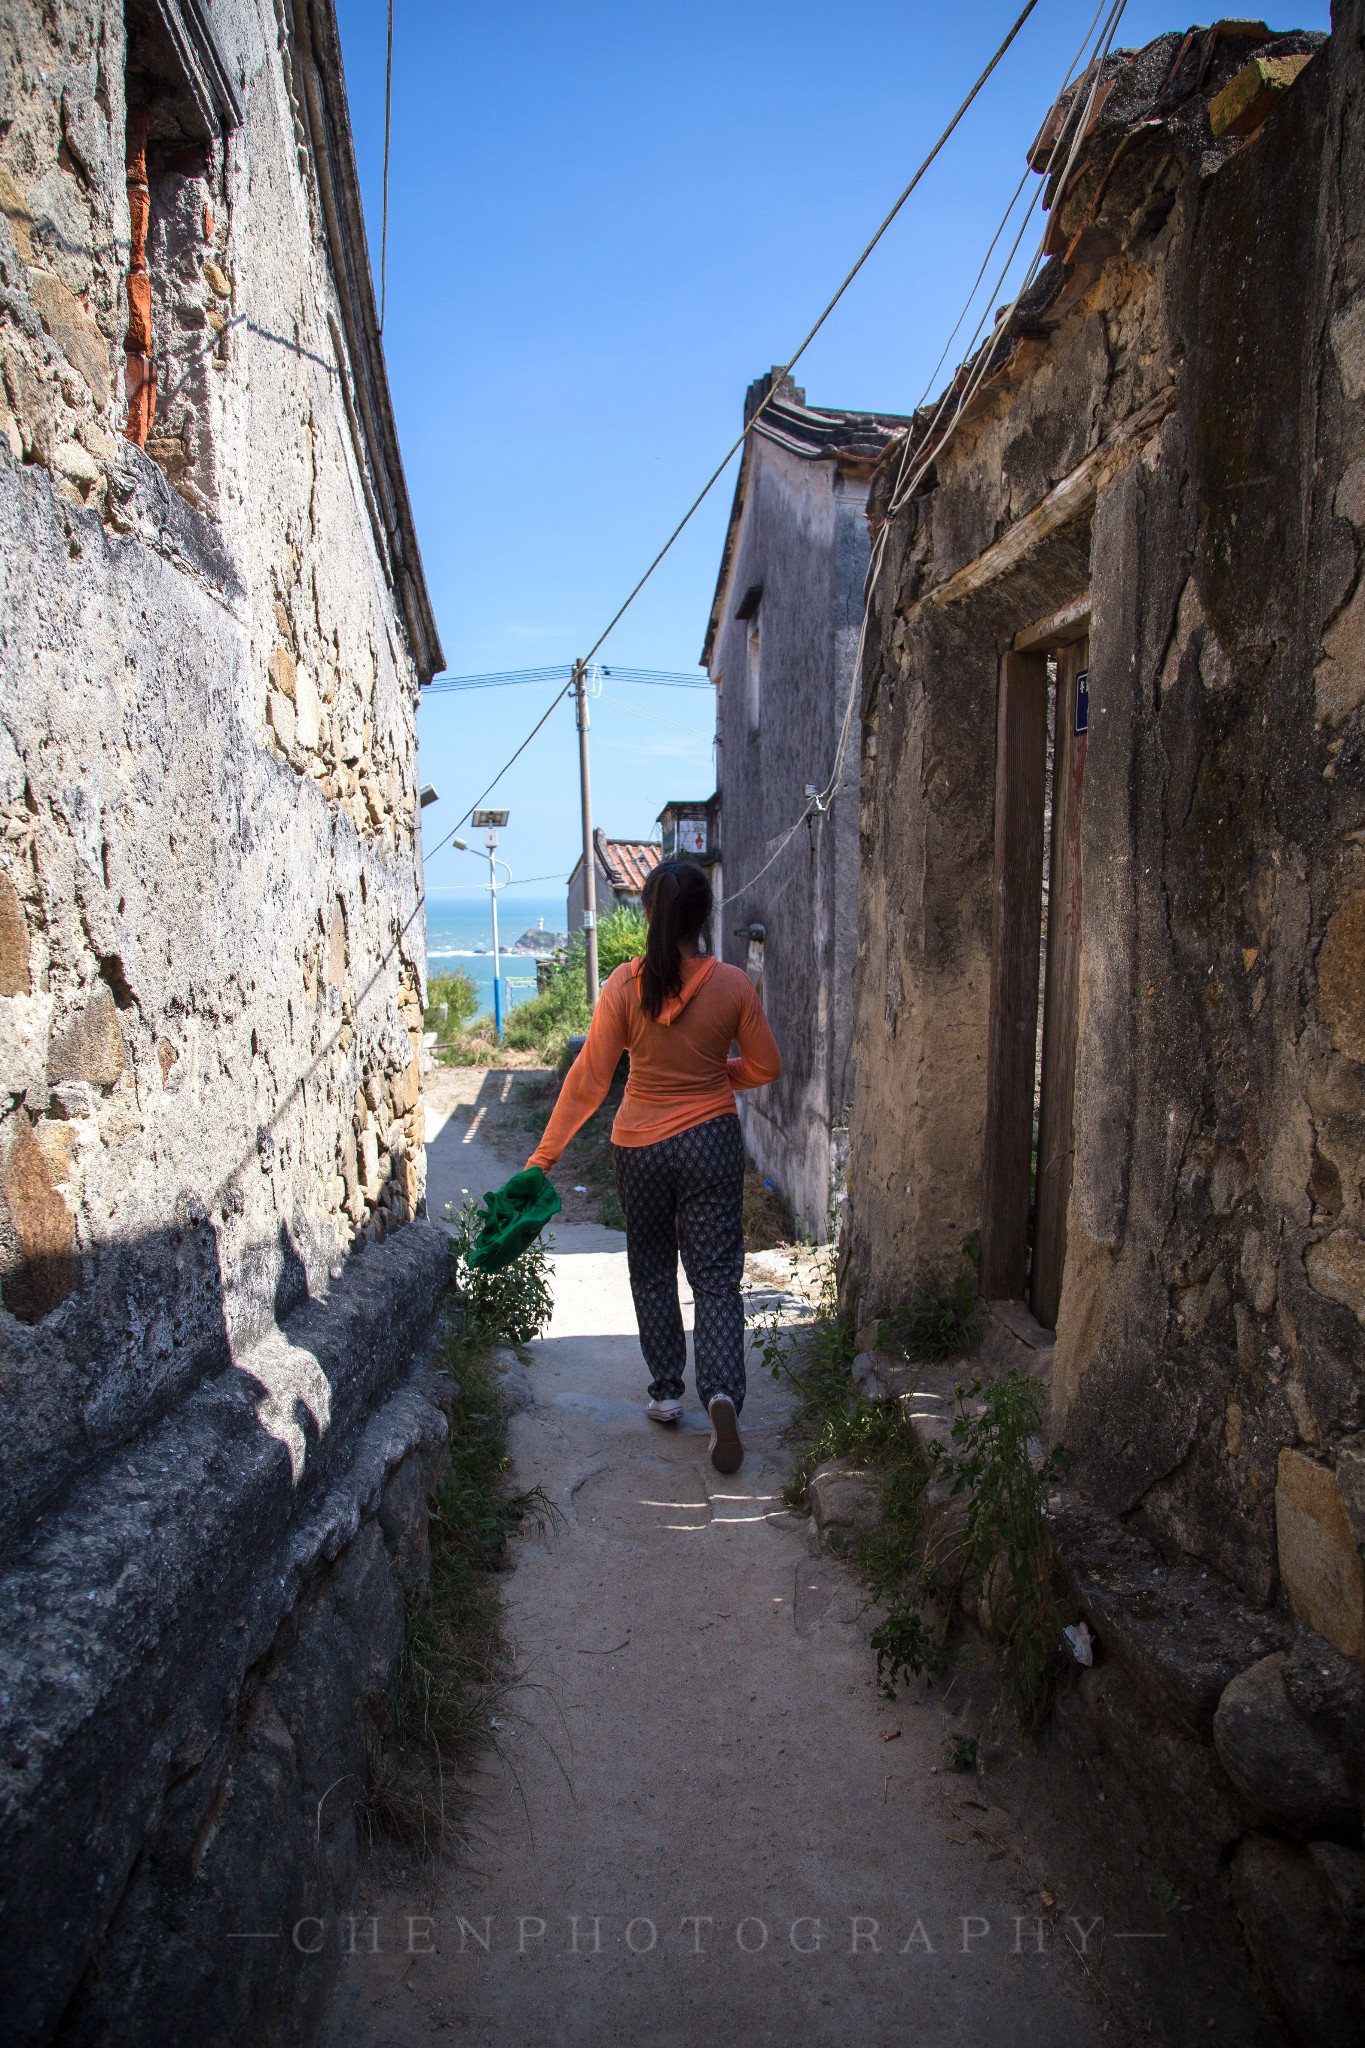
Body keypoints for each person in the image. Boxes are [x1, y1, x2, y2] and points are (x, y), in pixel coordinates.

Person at [526, 860, 781, 1473]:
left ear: (648, 914)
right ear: (704, 917)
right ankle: (721, 1390)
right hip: (710, 1142)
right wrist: (722, 1075)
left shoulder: (623, 986)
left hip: (638, 1146)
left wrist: (544, 1158)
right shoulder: (732, 987)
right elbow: (766, 1067)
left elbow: (589, 1081)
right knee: (716, 1276)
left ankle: (666, 1393)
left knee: (651, 1269)